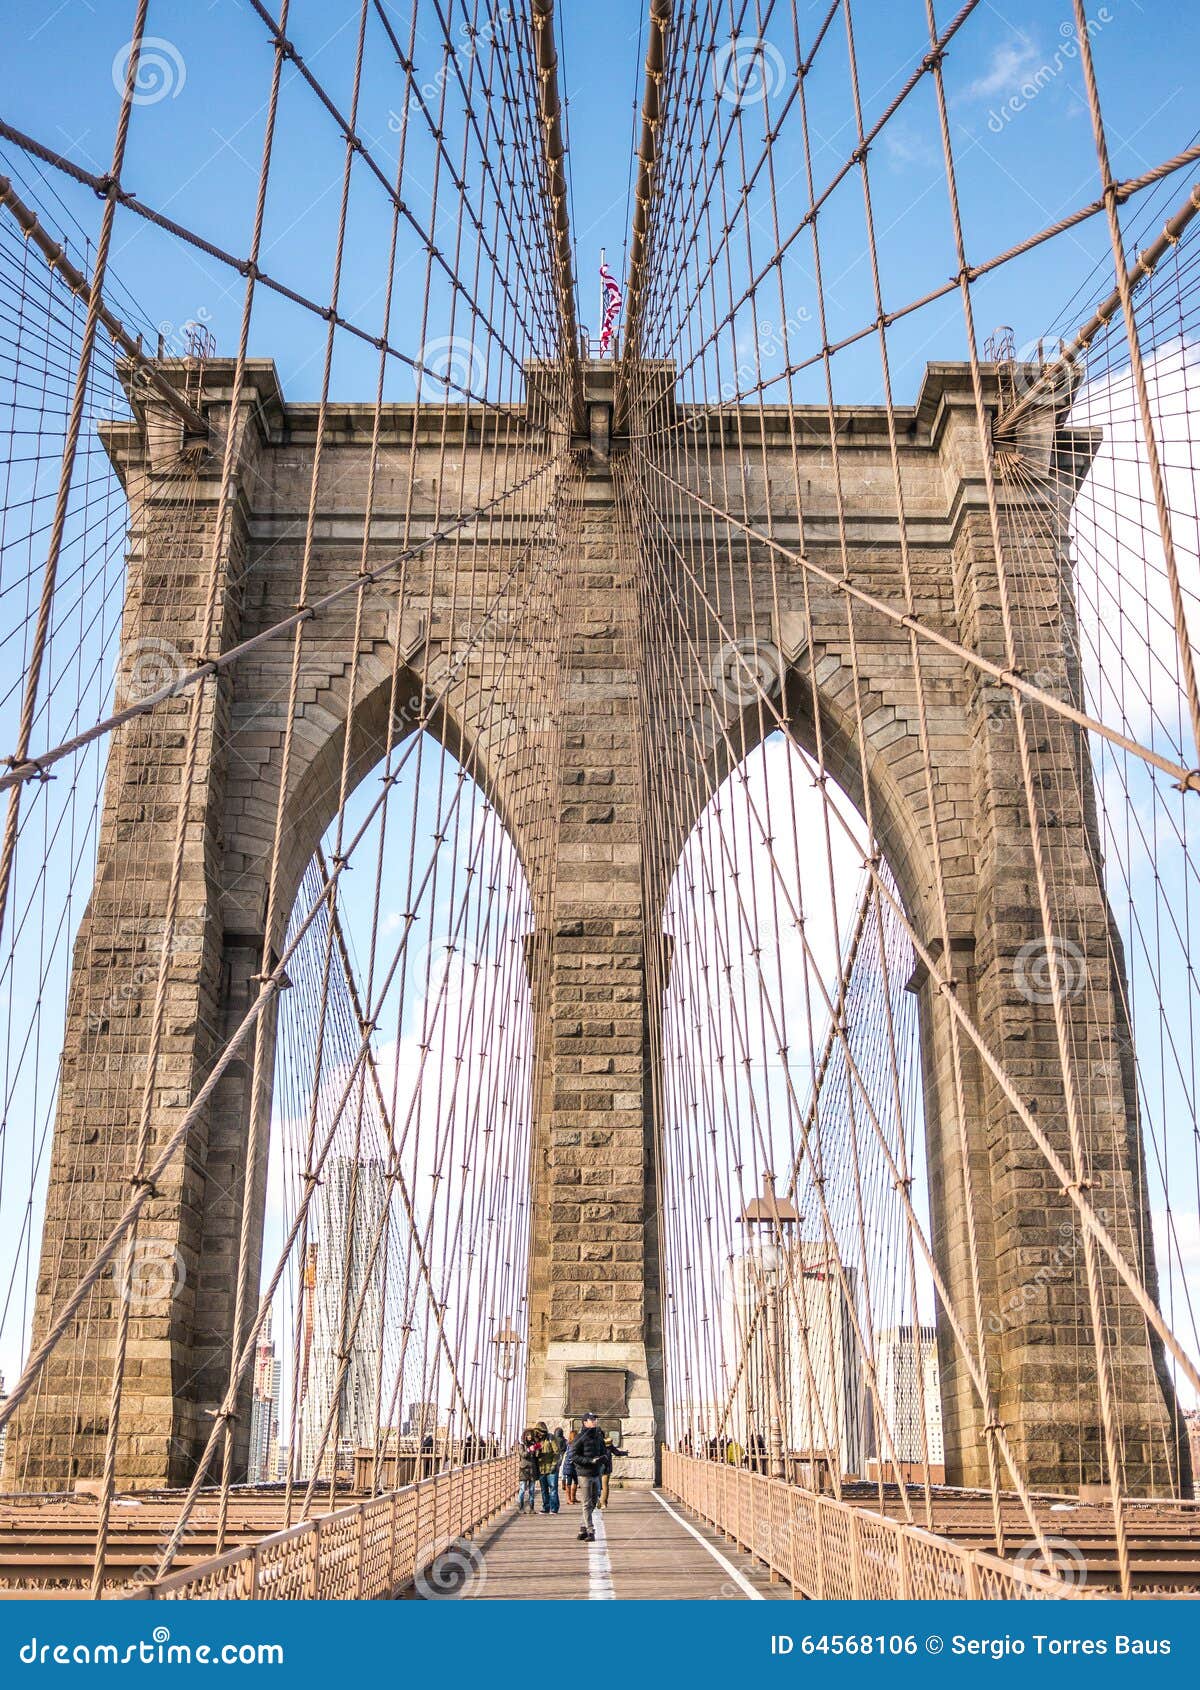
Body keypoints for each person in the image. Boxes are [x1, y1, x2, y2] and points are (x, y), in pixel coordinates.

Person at [568, 1412, 608, 1541]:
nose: (594, 1421)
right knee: (586, 1503)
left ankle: (582, 1528)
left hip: (596, 1473)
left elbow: (604, 1452)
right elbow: (573, 1456)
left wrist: (603, 1459)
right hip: (584, 1474)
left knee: (594, 1502)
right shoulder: (579, 1437)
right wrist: (590, 1461)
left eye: (595, 1419)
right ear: (585, 1422)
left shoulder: (598, 1436)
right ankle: (591, 1531)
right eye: (591, 1419)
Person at [534, 1420, 560, 1514]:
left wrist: (554, 1465)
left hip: (551, 1468)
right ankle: (546, 1507)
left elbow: (557, 1452)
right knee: (544, 1489)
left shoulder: (550, 1438)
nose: (539, 1434)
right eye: (538, 1433)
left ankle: (554, 1508)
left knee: (553, 1488)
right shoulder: (536, 1441)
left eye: (541, 1432)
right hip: (542, 1468)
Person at [517, 1427, 541, 1513]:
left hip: (532, 1469)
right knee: (522, 1489)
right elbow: (523, 1455)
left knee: (532, 1490)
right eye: (528, 1435)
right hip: (524, 1470)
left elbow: (536, 1457)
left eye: (531, 1435)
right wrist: (529, 1450)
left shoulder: (534, 1444)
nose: (529, 1436)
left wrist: (537, 1450)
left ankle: (531, 1508)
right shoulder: (521, 1446)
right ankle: (520, 1507)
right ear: (525, 1436)